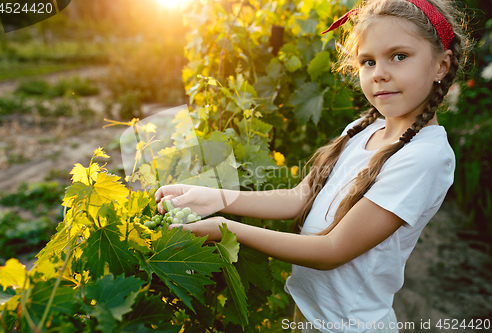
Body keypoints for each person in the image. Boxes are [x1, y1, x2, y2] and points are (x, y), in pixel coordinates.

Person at [155, 0, 468, 332]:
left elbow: (332, 250)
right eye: (368, 61)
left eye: (399, 56)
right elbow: (300, 197)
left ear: (441, 66)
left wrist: (223, 228)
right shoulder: (363, 128)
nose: (379, 73)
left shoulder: (425, 156)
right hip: (308, 312)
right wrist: (216, 197)